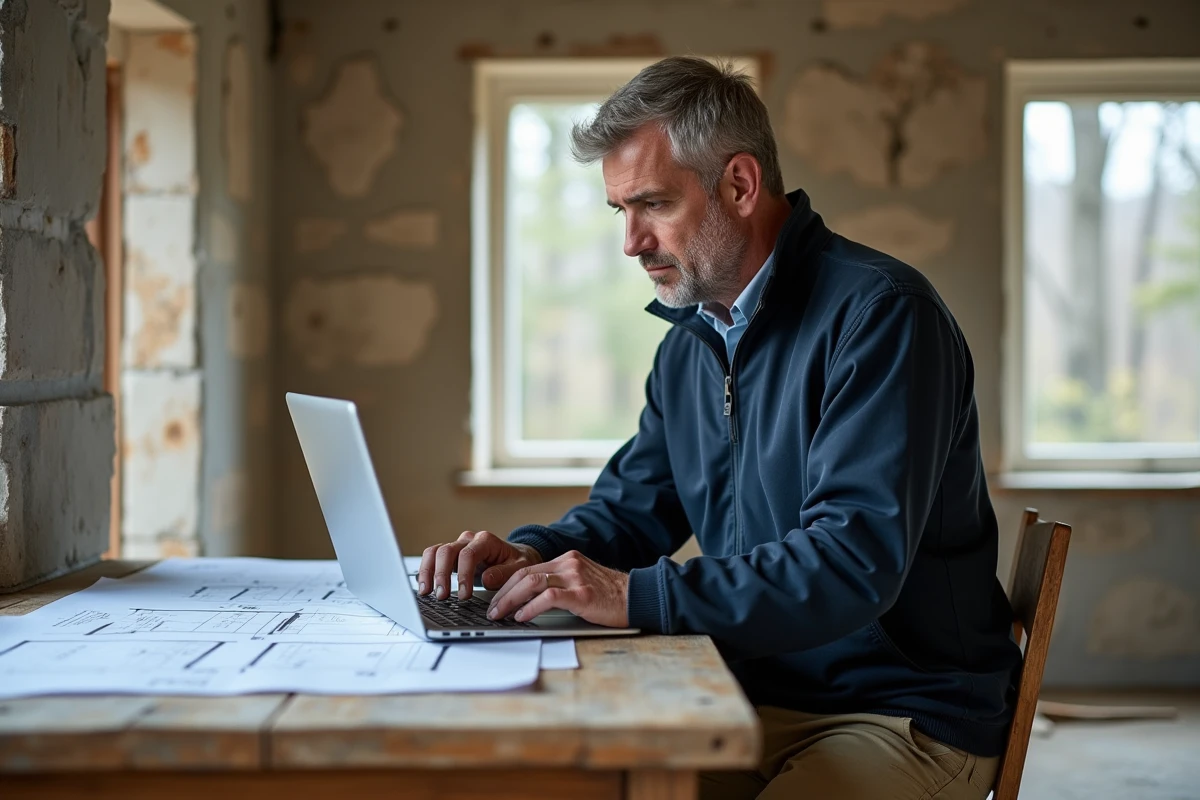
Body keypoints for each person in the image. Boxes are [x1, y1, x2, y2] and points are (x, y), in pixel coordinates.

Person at [417, 56, 1021, 800]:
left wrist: (638, 597)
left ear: (739, 185)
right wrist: (531, 553)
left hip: (899, 714)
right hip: (742, 692)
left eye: (653, 205)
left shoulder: (884, 316)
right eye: (621, 212)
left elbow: (851, 562)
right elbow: (633, 510)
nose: (632, 242)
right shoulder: (690, 344)